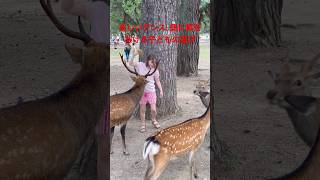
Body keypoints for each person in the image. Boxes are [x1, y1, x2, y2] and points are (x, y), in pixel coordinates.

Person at [128, 51, 164, 133]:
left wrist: (161, 90)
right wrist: (133, 55)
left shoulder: (155, 70)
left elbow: (157, 81)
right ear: (148, 60)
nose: (152, 64)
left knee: (153, 110)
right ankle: (143, 124)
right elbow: (130, 63)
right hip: (142, 92)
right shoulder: (140, 65)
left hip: (151, 91)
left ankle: (154, 120)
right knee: (142, 109)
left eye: (154, 62)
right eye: (151, 62)